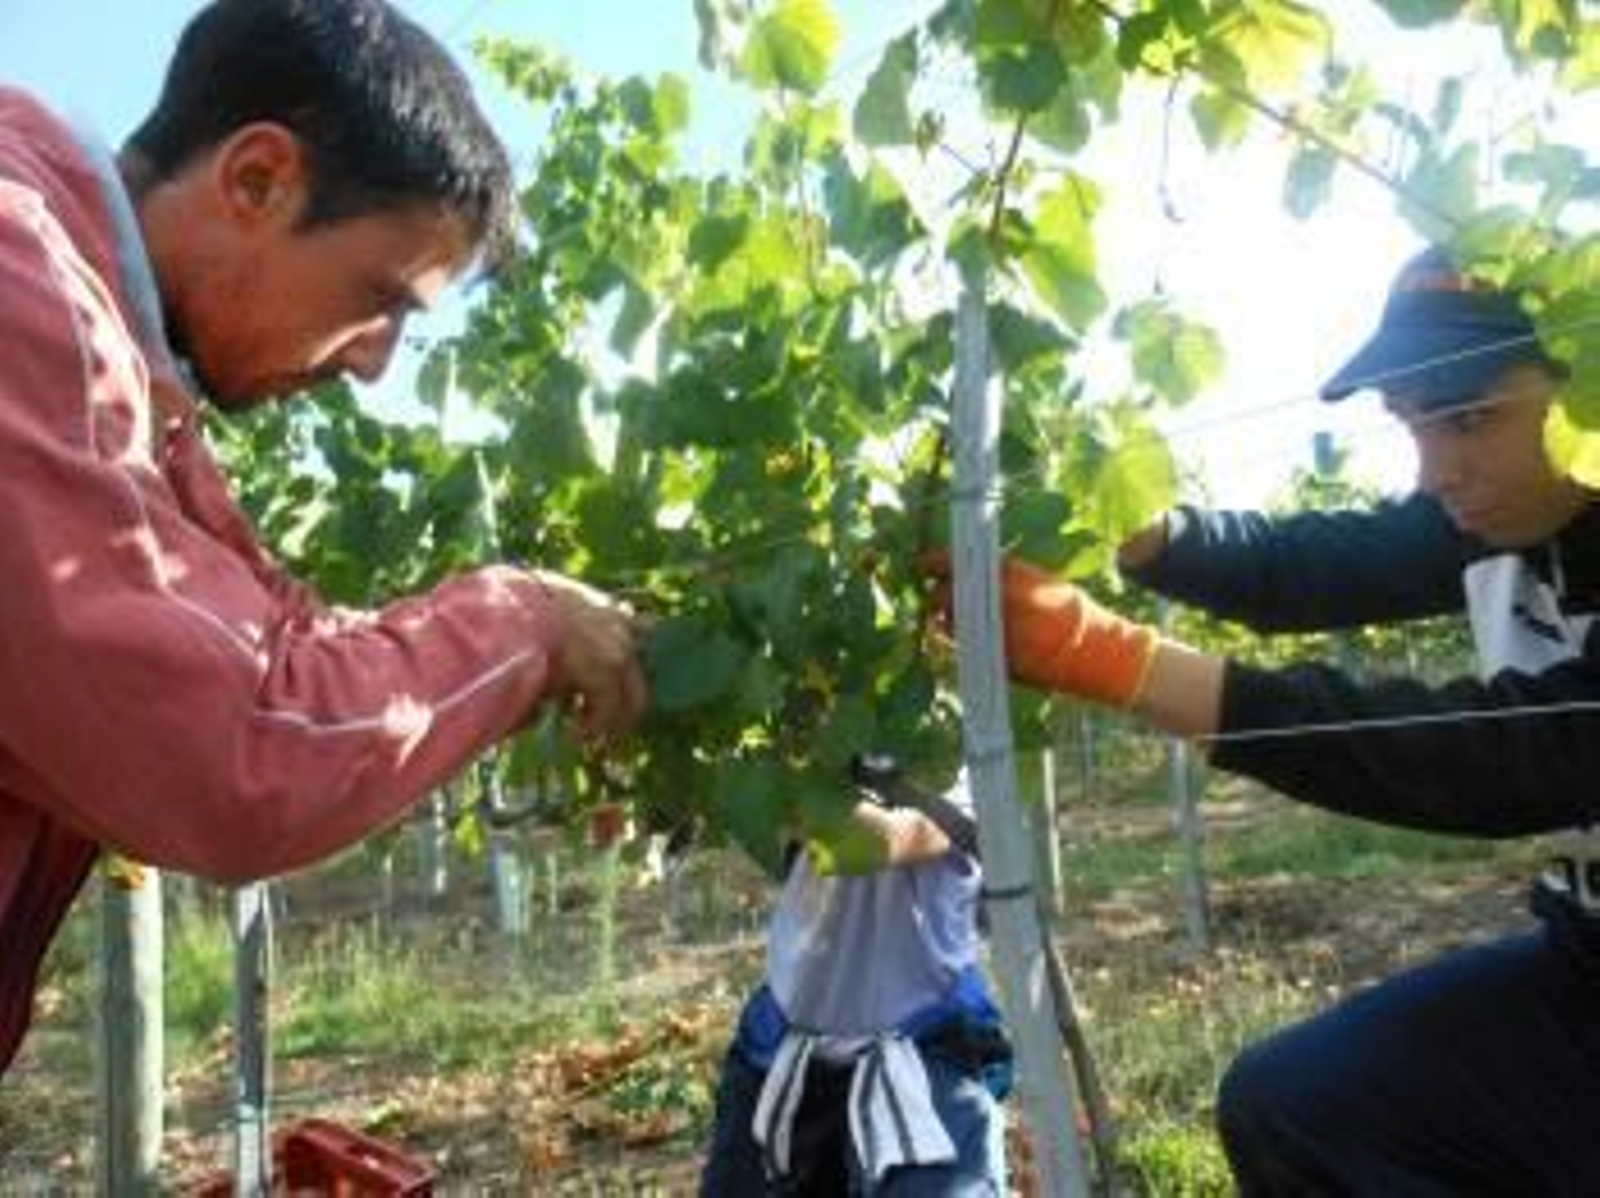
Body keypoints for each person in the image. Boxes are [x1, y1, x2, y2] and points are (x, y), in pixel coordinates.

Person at [0, 0, 647, 1076]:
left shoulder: (119, 369)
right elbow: (231, 755)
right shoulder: (21, 291)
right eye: (379, 299)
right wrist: (520, 623)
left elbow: (271, 635)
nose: (374, 363)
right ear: (258, 179)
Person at [928, 243, 1600, 1192]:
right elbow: (1302, 566)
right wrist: (1128, 524)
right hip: (1584, 960)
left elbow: (1522, 755)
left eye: (1467, 419)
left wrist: (1118, 660)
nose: (1436, 471)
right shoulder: (1493, 515)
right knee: (1290, 1105)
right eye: (1410, 424)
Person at [699, 760, 1011, 1196]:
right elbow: (770, 835)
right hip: (789, 1042)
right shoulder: (808, 748)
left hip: (920, 1053)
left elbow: (880, 840)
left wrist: (777, 774)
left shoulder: (948, 761)